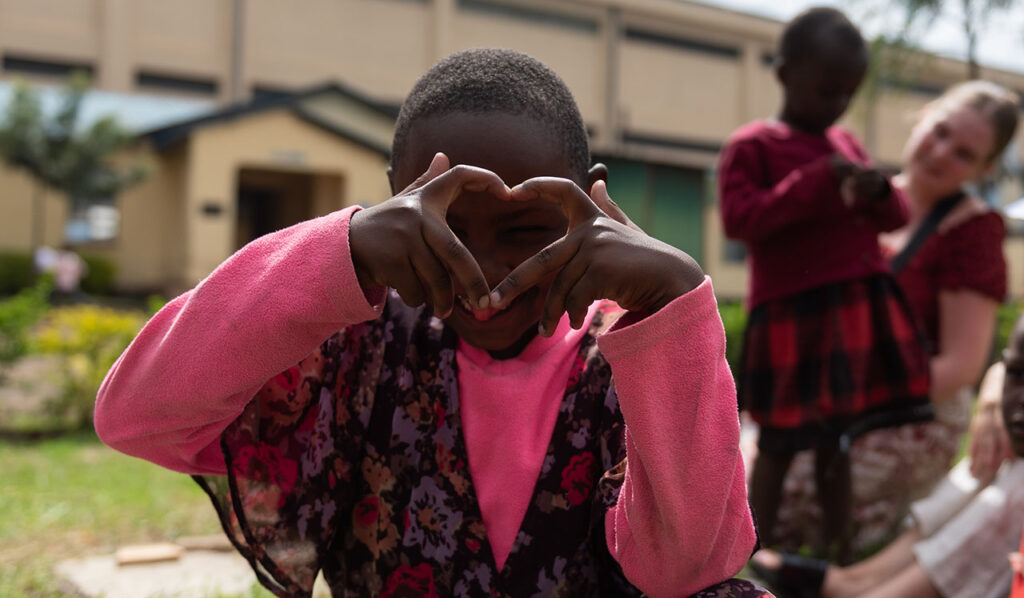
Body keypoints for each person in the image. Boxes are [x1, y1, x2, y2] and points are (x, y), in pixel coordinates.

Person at [94, 49, 766, 597]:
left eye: (527, 230)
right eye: (446, 228)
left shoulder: (631, 357)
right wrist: (342, 252)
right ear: (395, 200)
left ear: (591, 200)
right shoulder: (352, 350)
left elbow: (687, 569)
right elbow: (138, 416)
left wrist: (676, 304)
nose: (485, 276)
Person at [718, 7, 931, 562]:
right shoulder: (754, 146)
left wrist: (878, 190)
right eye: (826, 89)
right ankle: (750, 554)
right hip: (791, 314)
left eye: (847, 93)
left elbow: (896, 214)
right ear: (785, 74)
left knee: (839, 441)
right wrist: (813, 182)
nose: (837, 103)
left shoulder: (848, 143)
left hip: (852, 310)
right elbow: (742, 220)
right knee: (781, 443)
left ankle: (835, 557)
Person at [774, 80, 1019, 555]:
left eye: (965, 154)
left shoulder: (971, 232)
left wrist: (854, 398)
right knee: (743, 457)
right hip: (828, 392)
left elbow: (960, 366)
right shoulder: (863, 196)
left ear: (985, 169)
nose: (942, 152)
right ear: (924, 116)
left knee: (796, 491)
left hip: (913, 409)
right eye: (941, 131)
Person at [751, 311, 1024, 598]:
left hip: (915, 406)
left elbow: (964, 362)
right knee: (994, 459)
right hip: (894, 404)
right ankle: (863, 578)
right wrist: (998, 380)